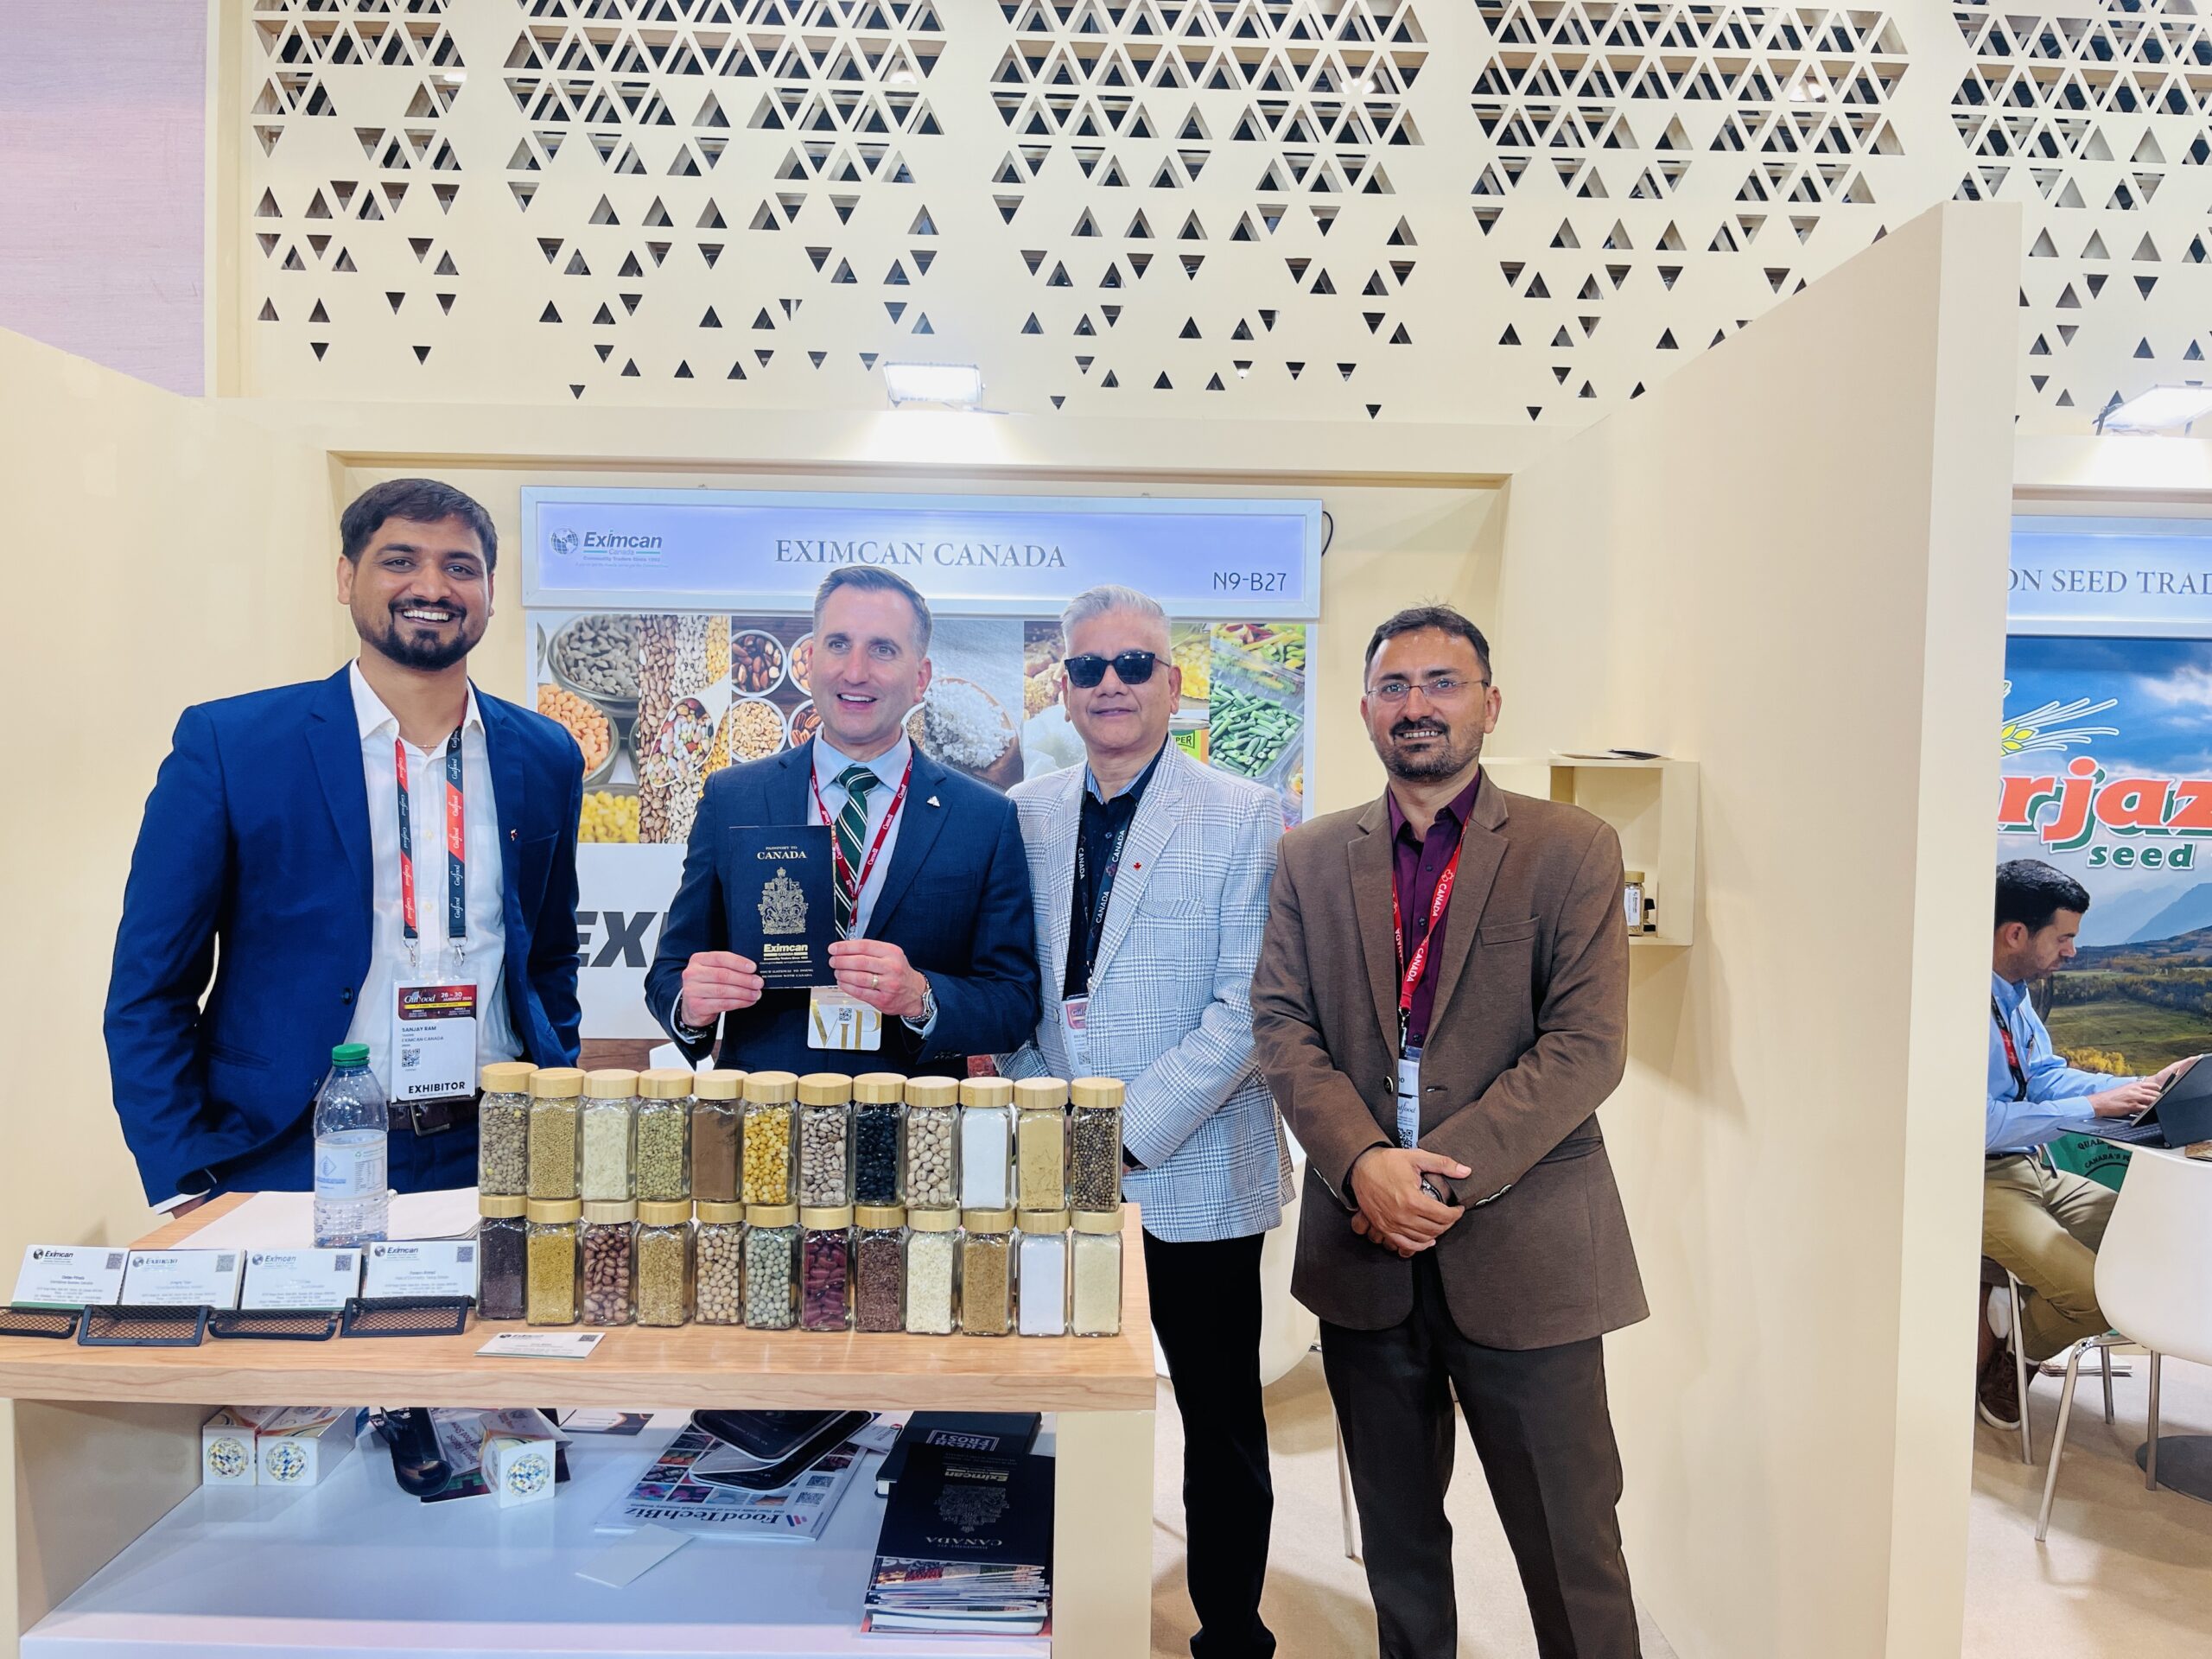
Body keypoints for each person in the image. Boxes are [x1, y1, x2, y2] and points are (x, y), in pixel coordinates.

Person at [1252, 603, 1643, 1659]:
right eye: (1394, 686)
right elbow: (1281, 1025)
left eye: (1441, 683)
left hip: (1528, 1252)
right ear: (1365, 710)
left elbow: (1586, 1046)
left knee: (1572, 1548)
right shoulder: (1310, 856)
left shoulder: (1570, 848)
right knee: (1398, 1551)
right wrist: (1362, 1163)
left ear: (1489, 704)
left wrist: (1432, 1182)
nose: (1416, 705)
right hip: (1363, 1255)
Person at [104, 478, 585, 1202]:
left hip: (493, 1147)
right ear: (345, 578)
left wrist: (553, 1091)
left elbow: (548, 958)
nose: (432, 586)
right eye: (399, 560)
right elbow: (150, 986)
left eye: (460, 566)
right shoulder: (234, 746)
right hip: (286, 1151)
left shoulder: (546, 754)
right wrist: (181, 1176)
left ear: (490, 591)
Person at [1001, 585, 1291, 1659]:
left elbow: (1248, 1007)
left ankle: (1231, 1630)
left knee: (1219, 1418)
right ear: (1063, 688)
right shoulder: (1025, 812)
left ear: (1173, 683)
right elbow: (1015, 988)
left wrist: (1122, 1135)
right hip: (1053, 1156)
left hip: (1194, 1164)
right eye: (1089, 667)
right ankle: (1056, 1607)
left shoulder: (1243, 812)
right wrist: (1055, 1115)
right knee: (1059, 1398)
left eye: (1134, 666)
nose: (1111, 685)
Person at [647, 566, 1038, 1072]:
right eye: (838, 644)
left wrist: (922, 996)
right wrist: (690, 1005)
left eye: (883, 649)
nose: (855, 671)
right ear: (811, 660)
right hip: (768, 1107)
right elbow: (670, 972)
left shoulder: (984, 817)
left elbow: (1013, 1001)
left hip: (913, 1114)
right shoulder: (734, 797)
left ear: (920, 678)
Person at [1977, 859, 2180, 1430]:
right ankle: (2021, 1351)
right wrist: (2094, 1106)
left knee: (2155, 1237)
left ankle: (2023, 1327)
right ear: (2016, 934)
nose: (2071, 951)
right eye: (2063, 938)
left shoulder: (2014, 996)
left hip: (2032, 1169)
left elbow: (2043, 1076)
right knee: (2097, 1295)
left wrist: (2143, 1086)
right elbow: (1977, 1125)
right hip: (1979, 1180)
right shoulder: (1957, 1004)